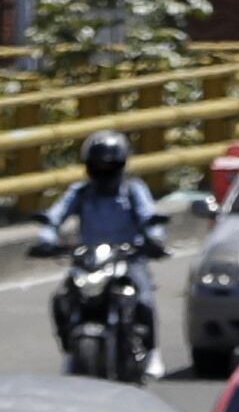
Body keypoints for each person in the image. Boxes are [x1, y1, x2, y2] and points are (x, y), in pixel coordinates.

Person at [35, 129, 164, 373]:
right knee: (61, 299)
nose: (104, 172)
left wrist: (155, 240)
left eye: (110, 166)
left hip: (128, 257)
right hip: (89, 259)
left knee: (143, 299)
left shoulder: (133, 190)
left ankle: (153, 353)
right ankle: (70, 351)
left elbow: (149, 217)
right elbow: (55, 216)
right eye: (98, 166)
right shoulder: (80, 192)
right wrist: (45, 240)